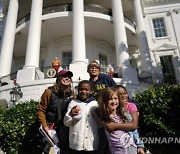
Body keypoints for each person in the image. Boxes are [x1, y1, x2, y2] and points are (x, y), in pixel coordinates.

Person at [37, 69, 74, 154]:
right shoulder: (48, 92)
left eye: (69, 77)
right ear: (58, 78)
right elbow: (41, 110)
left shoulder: (72, 94)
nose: (67, 78)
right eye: (64, 76)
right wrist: (45, 126)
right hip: (50, 128)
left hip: (65, 129)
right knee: (51, 151)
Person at [97, 87, 138, 154]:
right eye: (110, 99)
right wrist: (102, 121)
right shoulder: (104, 115)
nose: (113, 102)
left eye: (115, 98)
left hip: (131, 148)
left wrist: (115, 126)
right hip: (118, 151)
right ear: (104, 101)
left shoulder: (122, 113)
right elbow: (94, 111)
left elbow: (134, 127)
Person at [87, 60, 116, 154]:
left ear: (99, 69)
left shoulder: (106, 79)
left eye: (96, 66)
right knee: (101, 141)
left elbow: (118, 90)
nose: (94, 68)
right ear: (88, 70)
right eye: (91, 66)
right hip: (98, 115)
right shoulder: (89, 83)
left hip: (111, 113)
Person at [64, 80, 99, 154]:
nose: (83, 91)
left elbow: (100, 123)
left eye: (86, 89)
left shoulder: (95, 104)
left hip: (91, 144)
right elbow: (66, 123)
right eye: (81, 89)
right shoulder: (73, 103)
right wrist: (70, 114)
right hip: (76, 143)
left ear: (91, 91)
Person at [114, 85, 144, 154]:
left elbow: (134, 128)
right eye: (120, 94)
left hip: (132, 139)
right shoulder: (114, 108)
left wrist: (140, 146)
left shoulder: (131, 106)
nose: (123, 96)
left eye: (125, 93)